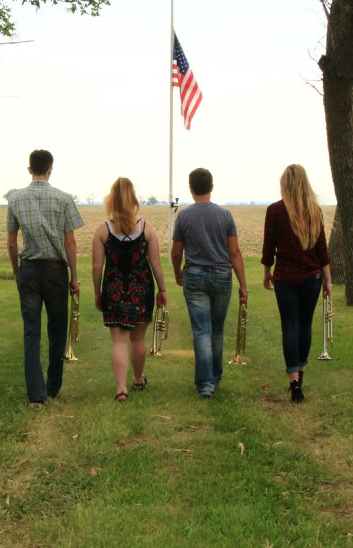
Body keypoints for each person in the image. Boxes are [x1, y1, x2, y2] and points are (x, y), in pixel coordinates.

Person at [7, 149, 84, 408]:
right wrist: (74, 276)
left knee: (31, 331)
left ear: (29, 169)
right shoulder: (63, 199)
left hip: (28, 267)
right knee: (57, 328)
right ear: (50, 169)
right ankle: (53, 386)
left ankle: (36, 394)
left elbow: (10, 242)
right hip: (55, 270)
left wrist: (17, 271)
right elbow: (70, 242)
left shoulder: (15, 199)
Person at [171, 168, 248, 399]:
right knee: (216, 330)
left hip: (194, 276)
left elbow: (176, 252)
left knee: (202, 331)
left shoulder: (184, 216)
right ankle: (215, 377)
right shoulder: (225, 215)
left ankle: (206, 384)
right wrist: (243, 285)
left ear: (191, 189)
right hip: (222, 275)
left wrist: (177, 273)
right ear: (211, 187)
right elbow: (234, 252)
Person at [260, 164, 332, 403]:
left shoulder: (275, 211)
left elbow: (268, 246)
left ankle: (293, 380)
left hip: (285, 277)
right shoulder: (315, 211)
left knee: (289, 326)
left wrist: (266, 272)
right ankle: (301, 373)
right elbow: (322, 250)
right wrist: (328, 279)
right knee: (305, 325)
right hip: (312, 277)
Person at [91, 178, 167, 402]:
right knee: (137, 340)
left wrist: (98, 293)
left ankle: (121, 389)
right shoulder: (147, 229)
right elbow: (156, 263)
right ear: (133, 199)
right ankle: (138, 379)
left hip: (114, 289)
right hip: (141, 288)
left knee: (119, 341)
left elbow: (97, 266)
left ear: (111, 200)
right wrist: (162, 290)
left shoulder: (102, 231)